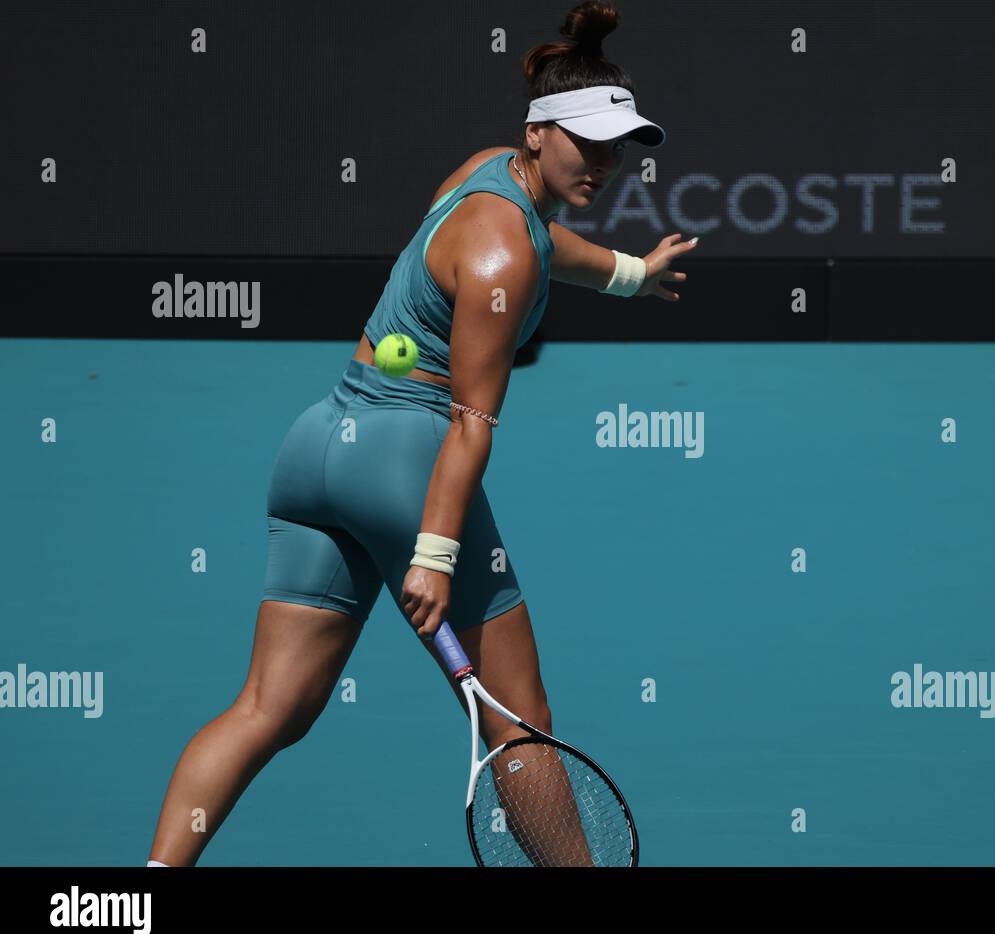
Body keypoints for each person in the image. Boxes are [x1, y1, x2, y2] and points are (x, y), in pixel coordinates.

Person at [146, 0, 697, 866]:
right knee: (518, 719)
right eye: (586, 142)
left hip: (318, 446)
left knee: (268, 709)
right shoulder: (499, 257)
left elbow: (550, 243)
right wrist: (434, 555)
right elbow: (473, 427)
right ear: (539, 133)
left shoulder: (489, 173)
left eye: (616, 145)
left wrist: (632, 272)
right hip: (408, 467)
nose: (604, 162)